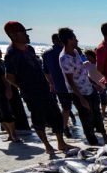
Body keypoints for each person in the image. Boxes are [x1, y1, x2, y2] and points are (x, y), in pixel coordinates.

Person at [4, 21, 71, 154]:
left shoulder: (30, 49)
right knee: (38, 119)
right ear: (13, 35)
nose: (27, 35)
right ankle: (47, 146)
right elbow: (9, 77)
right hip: (32, 94)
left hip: (45, 89)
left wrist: (49, 83)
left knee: (56, 115)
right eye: (23, 32)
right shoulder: (11, 54)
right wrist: (24, 88)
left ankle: (61, 143)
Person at [57, 27, 107, 146]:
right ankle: (93, 143)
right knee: (86, 119)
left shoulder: (75, 52)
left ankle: (104, 136)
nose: (77, 40)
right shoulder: (64, 58)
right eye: (74, 38)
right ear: (69, 40)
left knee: (97, 114)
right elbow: (70, 82)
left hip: (90, 88)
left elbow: (82, 73)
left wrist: (95, 84)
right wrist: (81, 98)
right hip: (79, 93)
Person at [0, 44, 31, 133]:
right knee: (6, 111)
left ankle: (19, 129)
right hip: (3, 89)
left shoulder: (2, 62)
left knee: (15, 110)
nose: (1, 53)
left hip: (10, 88)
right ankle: (11, 131)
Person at [42, 34, 74, 138]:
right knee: (69, 108)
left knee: (64, 107)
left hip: (57, 85)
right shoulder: (67, 50)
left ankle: (63, 126)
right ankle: (64, 127)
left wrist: (51, 83)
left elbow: (46, 71)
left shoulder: (46, 54)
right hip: (70, 83)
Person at [83, 49, 107, 117]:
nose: (87, 58)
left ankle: (103, 112)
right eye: (86, 56)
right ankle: (96, 112)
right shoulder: (86, 64)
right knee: (95, 100)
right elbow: (83, 74)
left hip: (102, 84)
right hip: (92, 84)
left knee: (104, 99)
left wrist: (101, 84)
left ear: (92, 55)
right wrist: (94, 84)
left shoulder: (99, 62)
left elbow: (105, 73)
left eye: (88, 56)